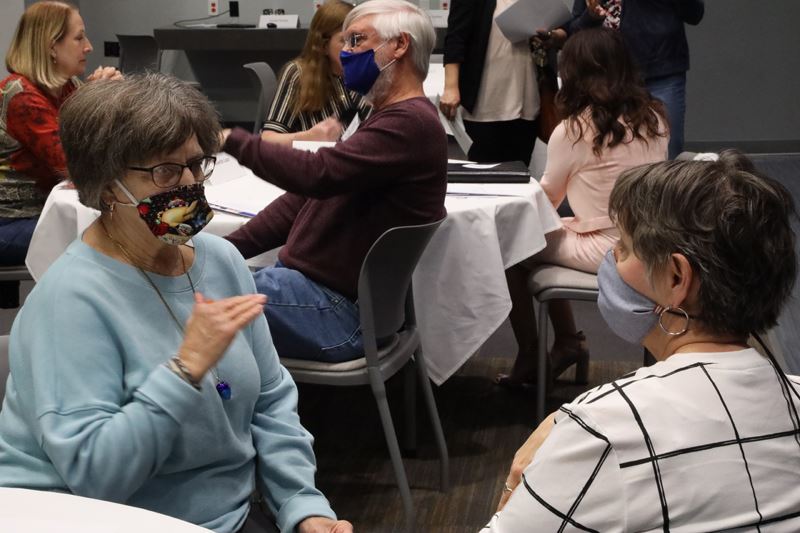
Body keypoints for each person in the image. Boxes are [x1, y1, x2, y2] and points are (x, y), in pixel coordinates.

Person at [0, 73, 352, 533]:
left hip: (227, 513)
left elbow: (270, 398)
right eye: (166, 171)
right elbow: (96, 478)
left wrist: (302, 506)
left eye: (197, 164)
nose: (190, 185)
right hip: (96, 518)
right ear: (107, 187)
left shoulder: (221, 261)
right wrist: (184, 371)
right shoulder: (68, 302)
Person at [485, 152, 800, 531]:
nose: (611, 257)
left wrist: (521, 479)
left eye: (625, 248)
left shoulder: (605, 429)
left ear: (675, 278)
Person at [222, 0, 446, 363]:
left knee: (181, 297)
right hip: (317, 295)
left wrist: (229, 140)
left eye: (356, 41)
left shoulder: (409, 123)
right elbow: (302, 200)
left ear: (400, 45)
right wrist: (225, 251)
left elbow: (317, 175)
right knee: (198, 278)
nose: (346, 53)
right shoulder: (386, 116)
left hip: (337, 312)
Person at [497, 27, 668, 389]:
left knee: (511, 246)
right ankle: (567, 343)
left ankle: (533, 352)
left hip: (606, 249)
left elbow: (547, 201)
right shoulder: (655, 119)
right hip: (651, 243)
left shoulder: (574, 130)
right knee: (540, 238)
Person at [0, 0, 120, 307]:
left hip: (41, 209)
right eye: (79, 38)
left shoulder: (65, 88)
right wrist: (96, 101)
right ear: (51, 47)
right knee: (106, 236)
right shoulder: (22, 97)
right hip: (10, 221)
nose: (89, 47)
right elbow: (75, 165)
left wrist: (97, 100)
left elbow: (104, 145)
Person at [547, 0, 704, 159]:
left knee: (668, 152)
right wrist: (591, 16)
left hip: (660, 72)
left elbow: (695, 14)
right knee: (606, 153)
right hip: (605, 80)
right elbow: (576, 29)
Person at [440, 0, 540, 165]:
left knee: (520, 175)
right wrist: (450, 87)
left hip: (527, 99)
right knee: (485, 175)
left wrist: (550, 36)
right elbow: (455, 37)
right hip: (485, 102)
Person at [260, 0, 371, 146]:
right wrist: (309, 136)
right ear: (323, 46)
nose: (352, 48)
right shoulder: (298, 74)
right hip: (317, 162)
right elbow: (267, 139)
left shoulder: (367, 70)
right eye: (344, 40)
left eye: (357, 39)